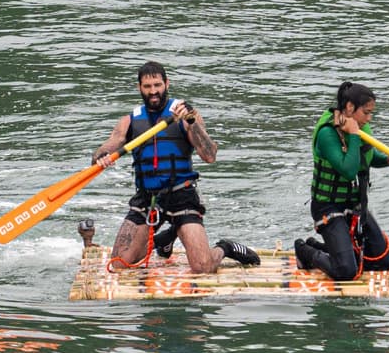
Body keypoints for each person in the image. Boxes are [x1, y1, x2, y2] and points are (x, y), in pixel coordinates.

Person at [91, 61, 261, 272]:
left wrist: (192, 123)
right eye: (147, 86)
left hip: (181, 195)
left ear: (167, 84)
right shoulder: (129, 121)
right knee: (119, 264)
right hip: (147, 199)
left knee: (203, 267)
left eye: (157, 85)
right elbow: (105, 149)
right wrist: (101, 157)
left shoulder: (186, 115)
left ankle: (225, 248)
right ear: (139, 88)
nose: (153, 91)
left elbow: (209, 155)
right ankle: (164, 239)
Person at [294, 82, 389, 280]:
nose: (369, 118)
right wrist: (354, 135)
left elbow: (366, 158)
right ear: (349, 107)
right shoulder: (327, 134)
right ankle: (305, 251)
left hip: (354, 205)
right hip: (328, 207)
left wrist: (388, 160)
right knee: (346, 272)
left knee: (381, 262)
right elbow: (348, 170)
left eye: (371, 113)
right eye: (366, 113)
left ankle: (319, 246)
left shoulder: (361, 127)